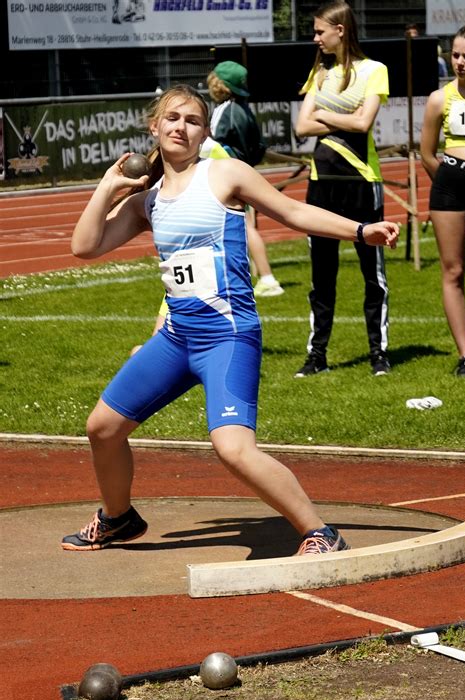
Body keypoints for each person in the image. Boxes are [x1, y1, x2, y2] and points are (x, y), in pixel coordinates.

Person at [61, 84, 398, 556]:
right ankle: (118, 518)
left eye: (192, 121)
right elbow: (84, 246)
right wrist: (108, 186)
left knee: (233, 448)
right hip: (177, 338)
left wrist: (361, 231)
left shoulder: (224, 175)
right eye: (172, 118)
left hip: (228, 336)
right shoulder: (147, 202)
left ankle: (321, 532)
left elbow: (294, 211)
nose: (181, 127)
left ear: (204, 133)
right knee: (102, 428)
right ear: (153, 127)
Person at [294, 1, 392, 378]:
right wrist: (343, 121)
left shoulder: (374, 71)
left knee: (373, 273)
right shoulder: (319, 73)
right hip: (322, 184)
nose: (316, 38)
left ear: (341, 30)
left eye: (321, 31)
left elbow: (364, 122)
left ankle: (378, 353)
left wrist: (324, 115)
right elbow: (302, 128)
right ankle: (317, 355)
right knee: (322, 275)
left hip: (362, 182)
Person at [420, 23, 465, 377]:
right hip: (451, 185)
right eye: (455, 54)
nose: (459, 62)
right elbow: (426, 153)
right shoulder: (440, 98)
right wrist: (447, 184)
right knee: (453, 271)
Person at [205, 60, 284, 298]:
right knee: (241, 226)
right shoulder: (242, 108)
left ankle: (268, 277)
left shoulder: (226, 110)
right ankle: (249, 277)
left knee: (246, 228)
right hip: (240, 170)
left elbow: (213, 143)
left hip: (229, 174)